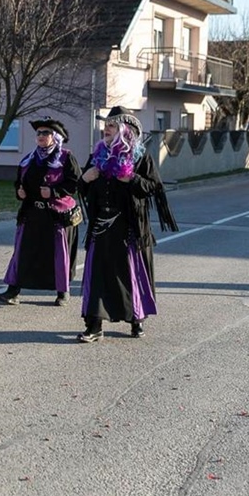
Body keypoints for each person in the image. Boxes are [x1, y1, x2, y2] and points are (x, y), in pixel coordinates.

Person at [77, 106, 178, 343]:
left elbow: (154, 187)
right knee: (97, 275)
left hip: (129, 228)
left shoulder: (140, 157)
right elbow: (81, 188)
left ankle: (136, 319)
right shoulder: (97, 157)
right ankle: (94, 325)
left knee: (129, 275)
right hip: (101, 227)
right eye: (105, 126)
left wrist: (131, 178)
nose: (106, 129)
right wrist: (85, 178)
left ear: (124, 130)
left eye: (111, 126)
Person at [0, 119, 82, 307]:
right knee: (23, 251)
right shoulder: (29, 159)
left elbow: (74, 182)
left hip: (55, 215)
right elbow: (19, 181)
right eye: (39, 133)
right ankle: (13, 290)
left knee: (58, 254)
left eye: (46, 133)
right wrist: (19, 191)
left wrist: (53, 192)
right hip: (32, 212)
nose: (41, 136)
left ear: (55, 137)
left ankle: (62, 292)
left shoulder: (66, 158)